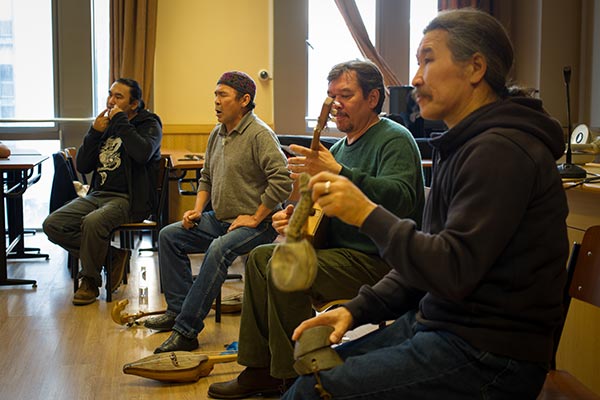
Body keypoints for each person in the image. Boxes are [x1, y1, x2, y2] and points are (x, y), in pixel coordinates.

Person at [277, 8, 570, 400]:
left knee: (312, 391)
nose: (415, 78)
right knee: (312, 376)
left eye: (428, 60)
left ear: (475, 68)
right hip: (441, 325)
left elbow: (450, 268)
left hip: (491, 356)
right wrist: (357, 309)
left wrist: (365, 211)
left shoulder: (502, 151)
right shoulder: (463, 145)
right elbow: (431, 261)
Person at [208, 60, 426, 399]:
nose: (335, 104)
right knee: (261, 258)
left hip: (380, 262)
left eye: (346, 95)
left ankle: (292, 378)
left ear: (372, 98)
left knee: (279, 265)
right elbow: (318, 214)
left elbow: (402, 200)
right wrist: (293, 216)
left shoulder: (395, 139)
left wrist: (338, 171)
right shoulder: (336, 148)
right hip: (338, 254)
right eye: (330, 95)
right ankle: (259, 367)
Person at [143, 71, 294, 354]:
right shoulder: (217, 132)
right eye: (215, 95)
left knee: (217, 250)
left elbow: (283, 180)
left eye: (223, 95)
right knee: (169, 236)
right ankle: (177, 311)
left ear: (244, 100)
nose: (216, 101)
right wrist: (197, 211)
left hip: (257, 223)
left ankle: (186, 331)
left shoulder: (260, 134)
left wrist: (257, 216)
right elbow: (206, 177)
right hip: (220, 219)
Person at [43, 78, 162, 305]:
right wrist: (94, 133)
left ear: (134, 104)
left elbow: (143, 153)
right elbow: (84, 166)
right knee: (52, 224)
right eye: (110, 95)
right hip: (97, 195)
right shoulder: (105, 127)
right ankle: (112, 254)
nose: (110, 101)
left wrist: (120, 122)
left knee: (92, 222)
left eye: (118, 97)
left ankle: (89, 282)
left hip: (129, 199)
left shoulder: (149, 123)